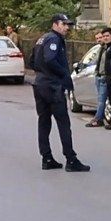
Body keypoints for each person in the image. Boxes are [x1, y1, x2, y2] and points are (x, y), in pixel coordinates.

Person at [31, 14, 90, 172]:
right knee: (63, 123)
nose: (66, 28)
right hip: (52, 86)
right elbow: (50, 59)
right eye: (64, 24)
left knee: (44, 122)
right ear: (55, 24)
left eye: (68, 25)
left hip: (40, 84)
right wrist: (63, 73)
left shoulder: (42, 38)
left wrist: (42, 73)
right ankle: (71, 159)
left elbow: (32, 60)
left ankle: (46, 158)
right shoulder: (54, 39)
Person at [86, 28, 111, 128]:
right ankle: (101, 118)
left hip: (105, 77)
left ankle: (98, 119)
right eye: (98, 38)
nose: (100, 40)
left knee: (102, 100)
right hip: (99, 76)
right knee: (101, 99)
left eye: (101, 37)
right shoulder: (101, 48)